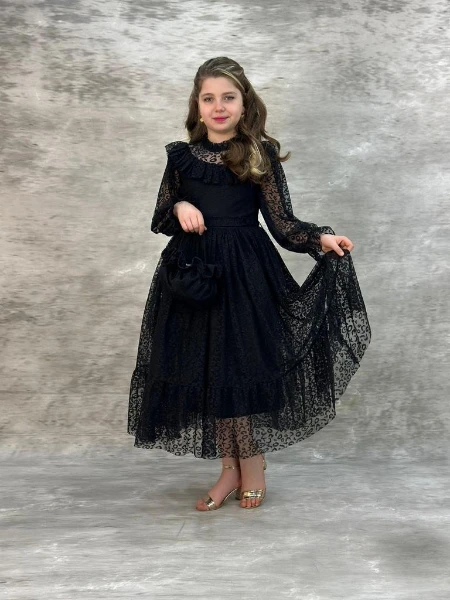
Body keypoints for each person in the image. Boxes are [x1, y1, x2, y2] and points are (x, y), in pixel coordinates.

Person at [128, 57, 371, 512]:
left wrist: (319, 238)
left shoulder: (259, 154)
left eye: (228, 97)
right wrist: (180, 205)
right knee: (209, 371)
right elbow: (161, 216)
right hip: (194, 275)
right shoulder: (181, 158)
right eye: (209, 98)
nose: (219, 106)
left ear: (244, 104)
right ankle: (229, 469)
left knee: (239, 367)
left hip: (244, 274)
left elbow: (282, 223)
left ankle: (252, 464)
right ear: (197, 107)